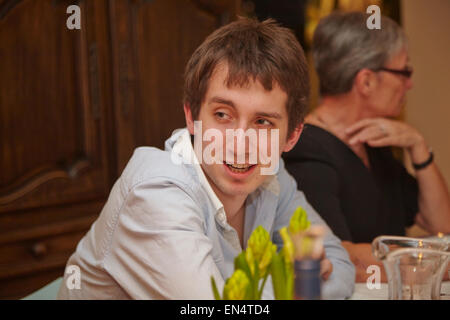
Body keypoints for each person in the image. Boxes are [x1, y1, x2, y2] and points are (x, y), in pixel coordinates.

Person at [57, 18, 354, 299]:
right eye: (223, 114)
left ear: (292, 135)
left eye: (263, 122)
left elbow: (339, 262)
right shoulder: (155, 192)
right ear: (191, 116)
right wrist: (300, 284)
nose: (240, 144)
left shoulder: (273, 176)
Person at [283, 12, 450, 282]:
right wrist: (436, 265)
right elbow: (340, 257)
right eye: (404, 71)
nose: (410, 84)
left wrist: (418, 146)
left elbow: (441, 225)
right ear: (366, 81)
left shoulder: (375, 143)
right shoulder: (307, 149)